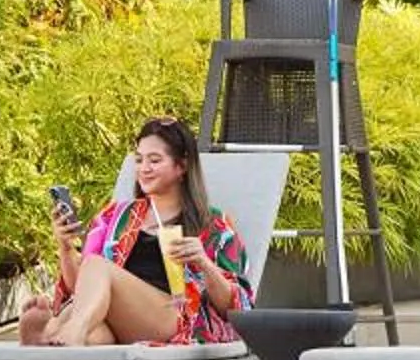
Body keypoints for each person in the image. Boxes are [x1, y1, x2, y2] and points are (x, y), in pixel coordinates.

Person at [32, 117, 254, 347]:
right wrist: (66, 247)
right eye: (139, 160)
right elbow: (82, 288)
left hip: (175, 316)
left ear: (182, 166)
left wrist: (204, 264)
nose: (144, 168)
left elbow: (236, 307)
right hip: (123, 322)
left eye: (155, 160)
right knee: (94, 335)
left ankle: (59, 331)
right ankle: (52, 334)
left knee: (96, 267)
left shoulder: (213, 224)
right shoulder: (114, 217)